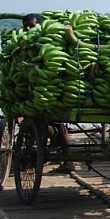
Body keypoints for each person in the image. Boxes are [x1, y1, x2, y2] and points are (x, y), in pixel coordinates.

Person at [21, 14, 75, 172]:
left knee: (56, 124)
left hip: (51, 93)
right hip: (34, 94)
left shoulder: (49, 43)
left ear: (42, 26)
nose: (27, 29)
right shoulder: (24, 46)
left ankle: (66, 158)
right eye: (25, 26)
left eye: (31, 26)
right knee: (41, 124)